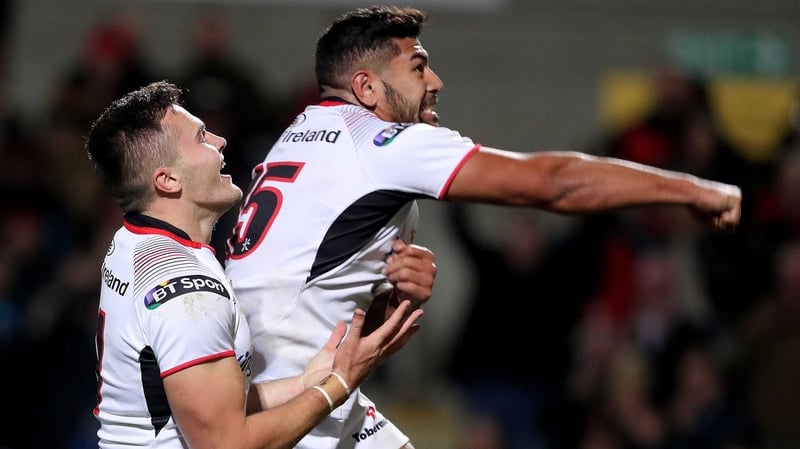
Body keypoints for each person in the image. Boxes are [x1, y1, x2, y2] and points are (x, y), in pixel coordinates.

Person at [223, 6, 742, 449]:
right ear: (366, 86)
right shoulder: (383, 145)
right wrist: (691, 190)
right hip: (295, 397)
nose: (436, 82)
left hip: (273, 381)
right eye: (418, 66)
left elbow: (332, 299)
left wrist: (396, 294)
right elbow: (555, 184)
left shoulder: (298, 136)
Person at [85, 80, 437, 449]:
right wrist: (340, 384)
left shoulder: (134, 241)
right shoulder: (185, 290)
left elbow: (208, 401)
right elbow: (227, 444)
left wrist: (305, 384)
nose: (220, 142)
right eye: (202, 138)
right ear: (168, 180)